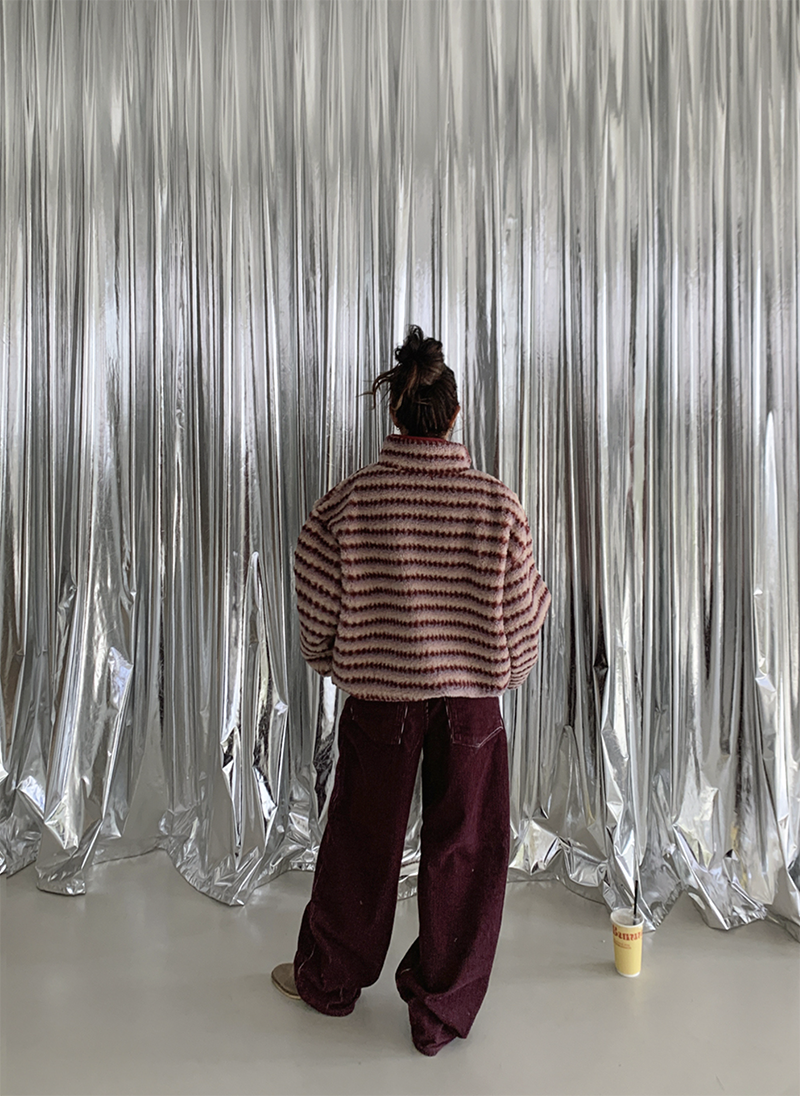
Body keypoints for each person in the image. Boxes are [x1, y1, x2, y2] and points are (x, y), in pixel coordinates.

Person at [271, 325, 550, 1056]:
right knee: (467, 852)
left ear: (394, 412)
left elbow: (312, 585)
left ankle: (329, 979)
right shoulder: (498, 506)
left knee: (360, 843)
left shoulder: (351, 501)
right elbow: (525, 619)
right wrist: (501, 668)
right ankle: (441, 1013)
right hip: (470, 707)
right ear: (454, 415)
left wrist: (333, 658)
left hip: (380, 701)